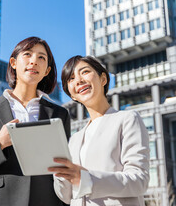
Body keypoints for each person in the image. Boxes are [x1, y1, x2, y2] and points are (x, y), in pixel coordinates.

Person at [0, 36, 70, 206]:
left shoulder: (59, 113)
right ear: (13, 62)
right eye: (27, 54)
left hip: (48, 200)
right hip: (2, 200)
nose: (34, 61)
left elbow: (66, 167)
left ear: (46, 71)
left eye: (41, 57)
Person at [48, 55, 149, 206]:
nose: (78, 80)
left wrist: (86, 179)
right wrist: (60, 173)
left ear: (103, 79)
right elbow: (66, 196)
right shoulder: (74, 139)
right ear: (72, 94)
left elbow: (139, 180)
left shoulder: (127, 119)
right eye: (71, 78)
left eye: (85, 72)